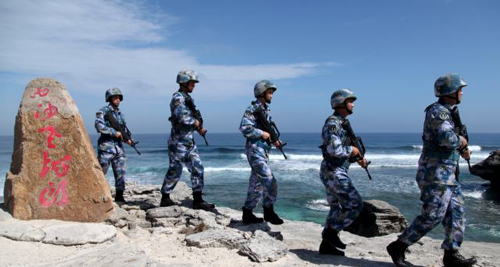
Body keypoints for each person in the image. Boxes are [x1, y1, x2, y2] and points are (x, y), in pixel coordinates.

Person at [387, 73, 477, 267]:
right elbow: (445, 138)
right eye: (459, 89)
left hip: (448, 173)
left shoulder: (449, 112)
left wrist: (461, 148)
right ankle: (399, 246)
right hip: (436, 172)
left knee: (457, 213)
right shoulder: (438, 111)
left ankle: (451, 254)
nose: (462, 93)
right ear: (450, 91)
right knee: (434, 214)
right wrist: (461, 141)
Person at [318, 88, 368, 256]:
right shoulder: (333, 123)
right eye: (350, 101)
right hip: (333, 171)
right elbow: (334, 149)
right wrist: (352, 151)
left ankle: (326, 246)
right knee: (355, 204)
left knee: (335, 208)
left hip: (335, 169)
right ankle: (331, 233)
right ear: (340, 103)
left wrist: (357, 158)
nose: (353, 105)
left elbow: (344, 149)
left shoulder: (342, 122)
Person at [160, 69, 215, 210]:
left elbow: (190, 118)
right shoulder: (178, 98)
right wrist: (196, 123)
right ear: (184, 82)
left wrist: (199, 129)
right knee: (175, 169)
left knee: (198, 168)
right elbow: (182, 118)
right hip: (178, 141)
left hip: (189, 141)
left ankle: (198, 200)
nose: (194, 85)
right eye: (192, 82)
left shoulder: (187, 99)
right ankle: (165, 197)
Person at [239, 80, 285, 225]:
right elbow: (244, 128)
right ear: (262, 93)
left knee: (256, 184)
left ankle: (247, 213)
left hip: (263, 151)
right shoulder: (252, 109)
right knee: (270, 180)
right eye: (270, 92)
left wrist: (274, 140)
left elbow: (268, 131)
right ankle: (269, 211)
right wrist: (262, 133)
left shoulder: (266, 110)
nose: (272, 95)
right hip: (254, 150)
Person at [95, 87, 133, 202]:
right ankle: (95, 192)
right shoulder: (103, 111)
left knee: (121, 172)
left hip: (118, 149)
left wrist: (127, 139)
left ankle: (119, 196)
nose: (117, 100)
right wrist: (113, 132)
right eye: (115, 98)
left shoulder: (120, 114)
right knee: (101, 172)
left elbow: (122, 130)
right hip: (106, 147)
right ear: (109, 99)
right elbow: (99, 126)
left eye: (118, 98)